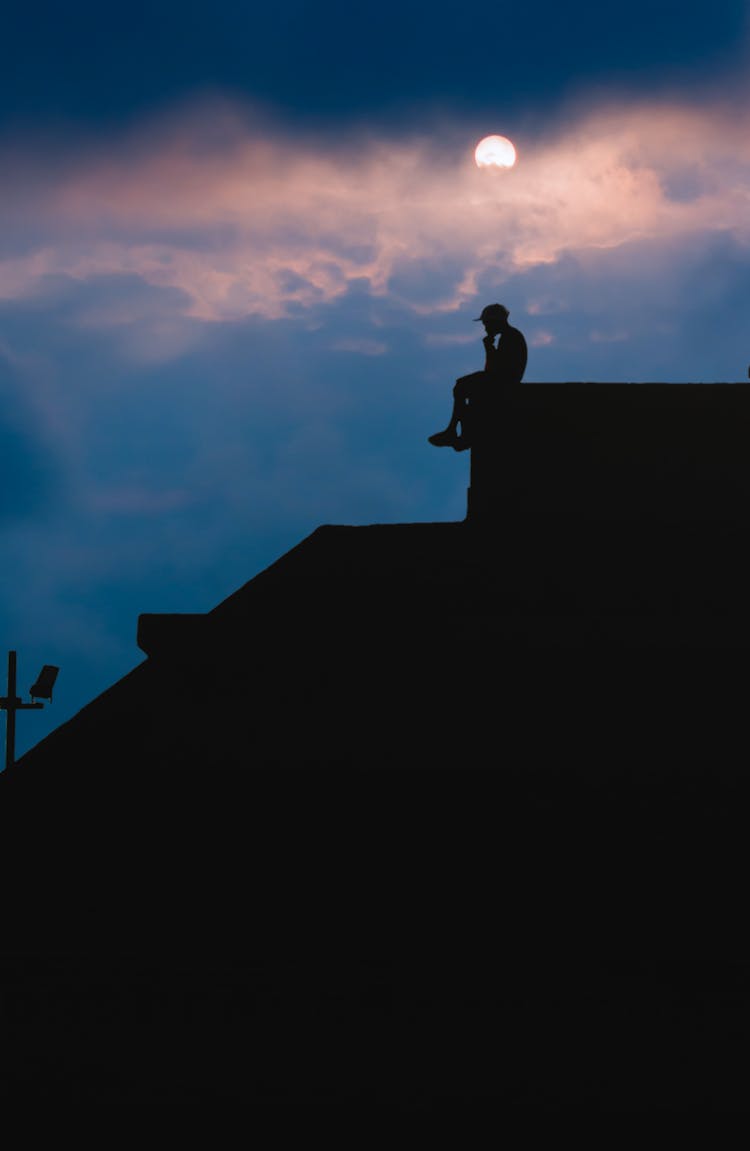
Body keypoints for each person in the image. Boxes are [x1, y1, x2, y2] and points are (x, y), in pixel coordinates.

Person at [428, 303, 527, 450]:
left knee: (461, 387)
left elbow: (497, 369)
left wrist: (489, 348)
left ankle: (455, 432)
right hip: (501, 379)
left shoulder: (510, 337)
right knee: (462, 387)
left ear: (496, 322)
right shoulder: (509, 336)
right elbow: (493, 368)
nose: (485, 328)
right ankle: (457, 432)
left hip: (504, 382)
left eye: (487, 323)